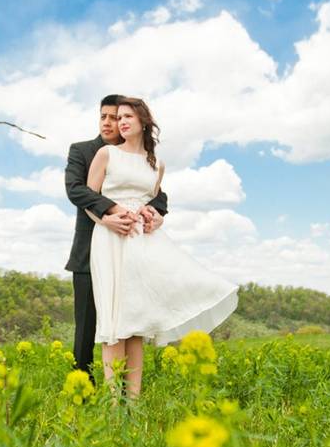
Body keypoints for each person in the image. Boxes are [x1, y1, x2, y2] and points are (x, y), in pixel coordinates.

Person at [85, 97, 237, 398]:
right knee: (114, 321)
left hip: (142, 240)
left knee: (138, 320)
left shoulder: (157, 164)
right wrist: (107, 222)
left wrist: (157, 219)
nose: (122, 122)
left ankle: (135, 400)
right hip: (110, 238)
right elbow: (89, 200)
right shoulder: (106, 154)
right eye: (119, 117)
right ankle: (115, 404)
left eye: (129, 116)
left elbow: (153, 204)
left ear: (144, 122)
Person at [64, 95, 168, 383]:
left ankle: (126, 397)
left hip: (134, 247)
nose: (113, 122)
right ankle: (82, 388)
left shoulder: (146, 159)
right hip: (91, 250)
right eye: (106, 117)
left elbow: (158, 195)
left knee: (132, 321)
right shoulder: (85, 151)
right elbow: (76, 190)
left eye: (119, 116)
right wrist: (108, 213)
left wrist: (157, 214)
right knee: (87, 329)